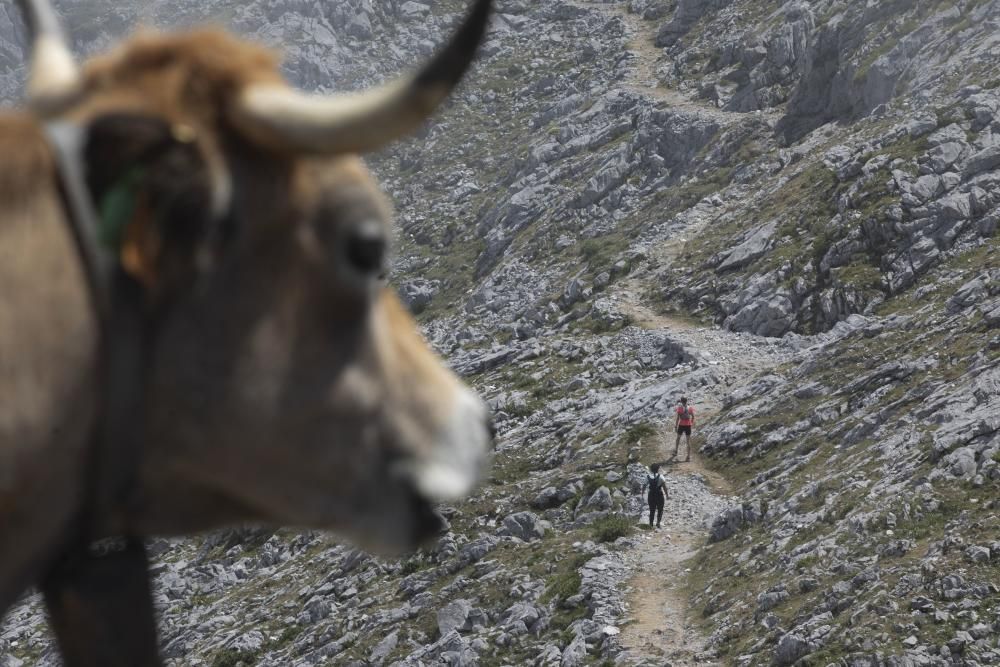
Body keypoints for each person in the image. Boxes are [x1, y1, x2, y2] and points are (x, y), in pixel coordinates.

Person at [642, 463, 668, 528]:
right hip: (659, 494)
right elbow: (664, 487)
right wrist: (667, 495)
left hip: (651, 495)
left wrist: (642, 493)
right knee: (660, 509)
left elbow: (644, 486)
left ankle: (651, 524)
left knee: (652, 510)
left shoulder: (647, 477)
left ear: (651, 469)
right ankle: (658, 523)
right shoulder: (661, 476)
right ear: (658, 469)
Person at [674, 396, 695, 461]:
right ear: (686, 401)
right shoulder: (690, 408)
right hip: (688, 425)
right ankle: (688, 457)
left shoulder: (680, 408)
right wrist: (691, 423)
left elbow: (678, 418)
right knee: (688, 441)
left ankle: (676, 451)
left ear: (681, 401)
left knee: (678, 438)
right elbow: (693, 416)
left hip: (681, 425)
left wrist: (676, 426)